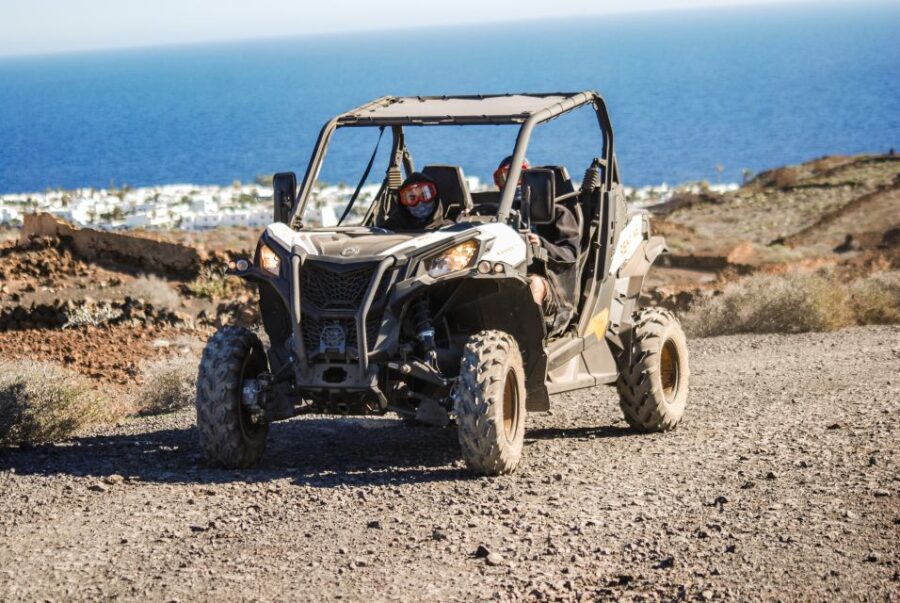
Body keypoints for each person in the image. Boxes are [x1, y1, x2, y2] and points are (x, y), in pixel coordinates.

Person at [494, 156, 580, 329]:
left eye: (519, 176)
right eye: (505, 177)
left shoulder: (558, 213)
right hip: (502, 279)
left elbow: (570, 253)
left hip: (552, 286)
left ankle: (529, 341)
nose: (513, 183)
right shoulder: (496, 214)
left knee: (533, 284)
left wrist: (541, 244)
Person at [378, 172, 451, 231]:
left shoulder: (449, 230)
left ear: (436, 198)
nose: (420, 203)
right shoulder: (389, 228)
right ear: (403, 205)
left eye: (425, 195)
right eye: (412, 198)